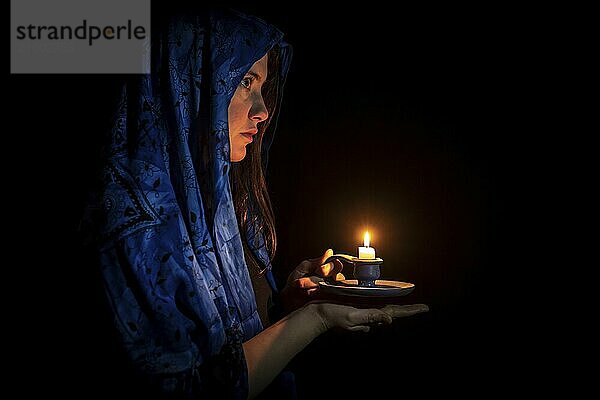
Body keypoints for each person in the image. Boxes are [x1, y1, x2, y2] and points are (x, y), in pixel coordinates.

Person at [85, 6, 428, 399]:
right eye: (245, 82)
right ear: (185, 85)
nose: (262, 111)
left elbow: (236, 349)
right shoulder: (131, 225)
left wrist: (286, 305)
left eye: (263, 87)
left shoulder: (223, 203)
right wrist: (313, 319)